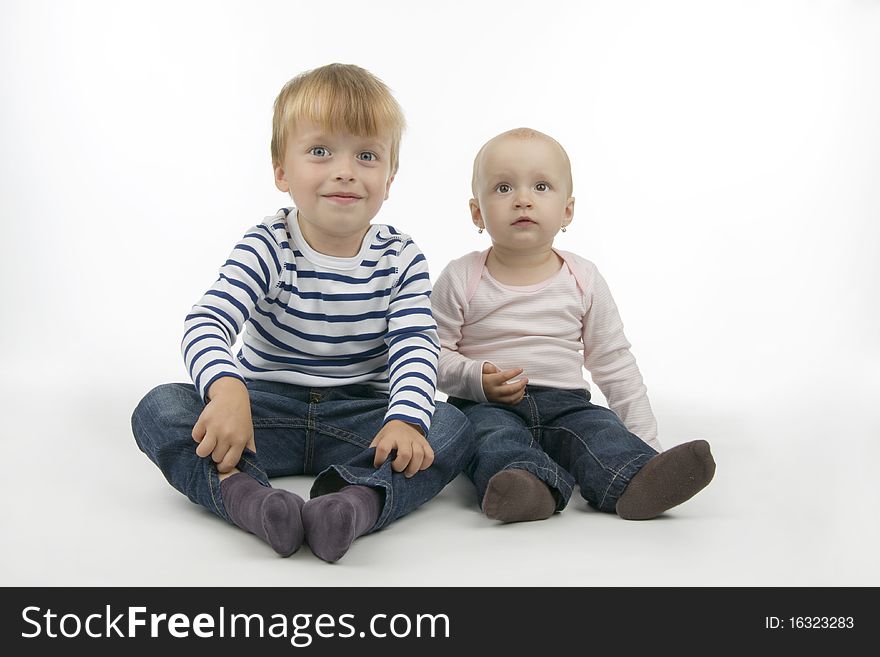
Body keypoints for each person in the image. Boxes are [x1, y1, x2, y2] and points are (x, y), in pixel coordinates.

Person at [131, 63, 473, 562]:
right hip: (261, 411)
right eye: (320, 151)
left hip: (359, 418)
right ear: (281, 171)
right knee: (160, 407)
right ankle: (244, 497)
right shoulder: (268, 245)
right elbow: (208, 321)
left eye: (366, 155)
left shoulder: (401, 257)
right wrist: (226, 391)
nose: (345, 170)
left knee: (450, 426)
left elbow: (416, 346)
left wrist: (403, 420)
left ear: (389, 179)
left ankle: (354, 503)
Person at [431, 127, 715, 523]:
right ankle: (527, 487)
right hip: (485, 404)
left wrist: (646, 444)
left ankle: (638, 477)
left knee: (600, 431)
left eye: (542, 186)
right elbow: (427, 356)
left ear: (567, 210)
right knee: (491, 439)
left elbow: (614, 363)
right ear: (477, 212)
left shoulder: (583, 278)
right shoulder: (461, 276)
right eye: (502, 188)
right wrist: (476, 378)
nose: (523, 200)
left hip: (567, 405)